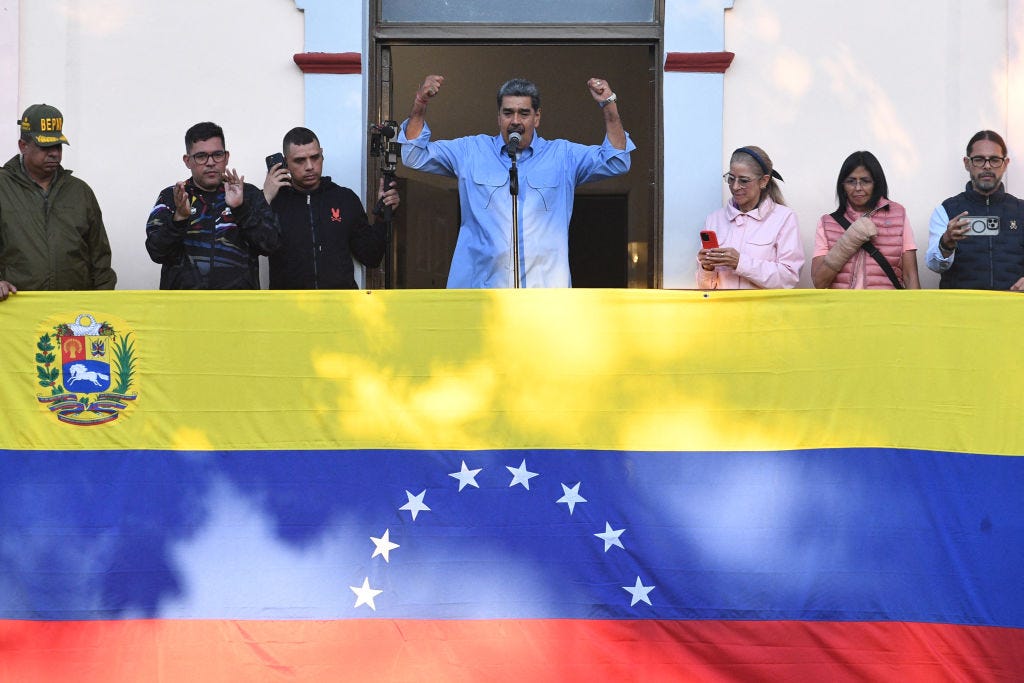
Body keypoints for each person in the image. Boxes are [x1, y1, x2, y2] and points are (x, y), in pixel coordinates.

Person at [397, 75, 635, 288]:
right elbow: (414, 155)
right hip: (477, 293)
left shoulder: (563, 156)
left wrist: (608, 105)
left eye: (524, 113)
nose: (515, 120)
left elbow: (616, 161)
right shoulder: (470, 151)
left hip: (544, 295)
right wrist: (420, 103)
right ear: (498, 117)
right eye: (508, 113)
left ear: (537, 117)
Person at [0, 103, 116, 300]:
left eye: (58, 145)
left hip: (71, 312)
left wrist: (101, 303)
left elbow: (100, 258)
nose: (54, 153)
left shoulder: (80, 192)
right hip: (14, 311)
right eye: (45, 146)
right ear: (23, 146)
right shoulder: (3, 187)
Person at [146, 121, 280, 289]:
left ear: (226, 157)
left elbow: (271, 245)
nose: (210, 163)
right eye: (201, 156)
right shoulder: (172, 196)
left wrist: (241, 209)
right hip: (184, 309)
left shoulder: (249, 194)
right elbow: (156, 252)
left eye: (217, 154)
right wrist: (178, 219)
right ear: (187, 161)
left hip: (238, 308)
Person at [262, 127, 400, 289]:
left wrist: (382, 217)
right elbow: (256, 247)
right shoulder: (275, 202)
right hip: (289, 309)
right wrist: (264, 199)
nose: (309, 166)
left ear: (322, 154)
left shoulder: (344, 199)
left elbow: (371, 257)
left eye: (315, 157)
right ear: (285, 162)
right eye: (299, 160)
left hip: (340, 307)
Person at [926, 130, 1024, 290]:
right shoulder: (947, 210)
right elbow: (934, 266)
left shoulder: (1021, 211)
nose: (987, 166)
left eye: (994, 160)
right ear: (967, 163)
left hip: (1013, 309)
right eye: (979, 159)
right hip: (961, 310)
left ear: (1005, 164)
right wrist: (946, 243)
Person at [697, 146, 803, 289]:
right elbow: (705, 289)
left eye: (744, 181)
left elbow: (789, 278)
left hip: (764, 310)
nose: (735, 187)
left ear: (764, 181)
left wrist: (740, 263)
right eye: (731, 178)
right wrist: (707, 268)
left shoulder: (784, 218)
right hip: (723, 310)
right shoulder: (714, 219)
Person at [812, 151, 920, 289]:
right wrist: (849, 241)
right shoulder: (827, 223)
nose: (858, 188)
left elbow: (910, 276)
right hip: (842, 308)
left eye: (865, 181)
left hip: (887, 308)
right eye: (851, 181)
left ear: (876, 183)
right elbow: (819, 283)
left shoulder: (898, 214)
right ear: (843, 186)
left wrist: (917, 309)